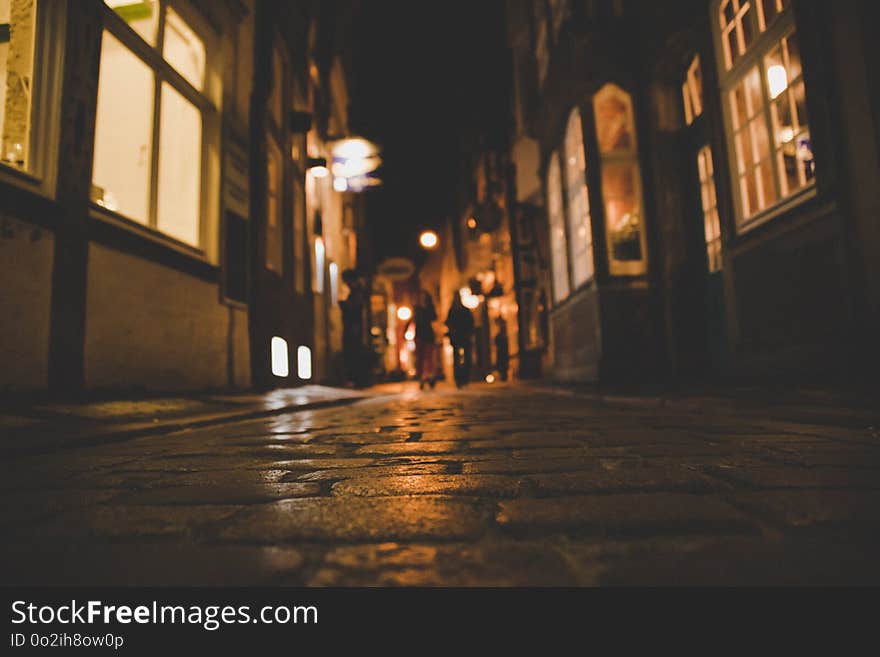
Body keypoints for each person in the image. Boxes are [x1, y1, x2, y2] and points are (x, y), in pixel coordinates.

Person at [339, 269, 367, 387]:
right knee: (353, 353)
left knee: (352, 353)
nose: (346, 284)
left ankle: (355, 380)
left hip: (353, 327)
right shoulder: (357, 292)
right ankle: (355, 379)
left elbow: (355, 309)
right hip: (353, 327)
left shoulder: (357, 293)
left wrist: (344, 306)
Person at [445, 293, 475, 388]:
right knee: (458, 358)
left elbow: (470, 323)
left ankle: (464, 378)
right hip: (458, 337)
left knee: (464, 358)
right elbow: (448, 323)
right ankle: (459, 379)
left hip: (462, 336)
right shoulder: (455, 311)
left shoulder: (460, 310)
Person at [411, 291, 438, 390]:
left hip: (428, 335)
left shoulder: (429, 308)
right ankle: (422, 377)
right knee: (420, 358)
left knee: (429, 357)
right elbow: (413, 320)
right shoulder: (417, 309)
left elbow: (434, 318)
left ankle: (430, 376)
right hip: (420, 336)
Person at [495, 317, 510, 382]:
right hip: (501, 352)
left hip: (502, 352)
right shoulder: (501, 336)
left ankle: (503, 376)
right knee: (502, 363)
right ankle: (503, 376)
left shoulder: (503, 336)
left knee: (503, 363)